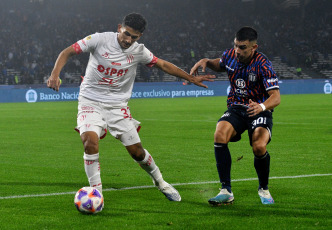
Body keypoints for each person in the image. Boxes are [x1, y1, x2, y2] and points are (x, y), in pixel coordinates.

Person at [47, 13, 214, 202]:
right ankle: (97, 193)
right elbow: (67, 51)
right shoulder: (99, 39)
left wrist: (190, 78)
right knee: (90, 142)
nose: (128, 40)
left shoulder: (139, 51)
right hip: (90, 101)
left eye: (133, 37)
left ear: (139, 37)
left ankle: (160, 182)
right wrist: (55, 74)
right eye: (126, 34)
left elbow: (163, 64)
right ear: (119, 27)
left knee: (137, 152)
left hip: (118, 106)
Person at [190, 26, 280, 205]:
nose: (237, 51)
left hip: (259, 109)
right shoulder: (231, 55)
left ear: (254, 48)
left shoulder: (263, 64)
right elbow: (220, 63)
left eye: (243, 47)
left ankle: (263, 189)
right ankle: (225, 191)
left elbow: (275, 96)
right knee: (219, 134)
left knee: (259, 147)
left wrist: (261, 106)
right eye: (236, 46)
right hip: (237, 108)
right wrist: (206, 61)